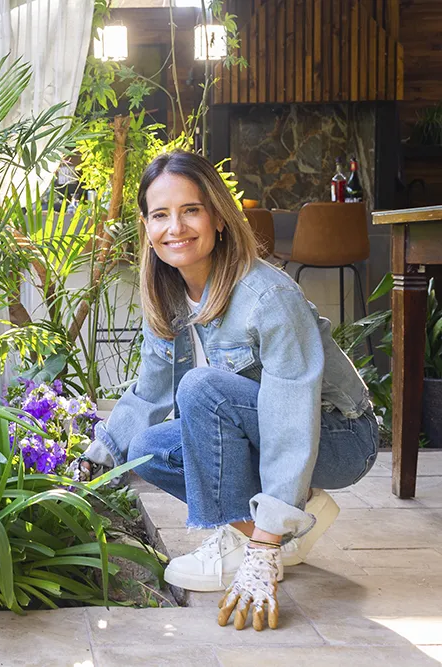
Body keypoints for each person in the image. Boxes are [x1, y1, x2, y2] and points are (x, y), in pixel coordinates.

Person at [73, 150, 378, 631]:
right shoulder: (169, 296)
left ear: (217, 217)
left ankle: (256, 543)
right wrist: (93, 462)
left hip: (339, 437)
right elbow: (149, 396)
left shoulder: (267, 296)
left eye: (190, 210)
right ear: (148, 230)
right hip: (271, 427)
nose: (176, 226)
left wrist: (263, 554)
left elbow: (291, 415)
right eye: (160, 215)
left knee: (202, 390)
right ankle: (270, 525)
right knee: (148, 448)